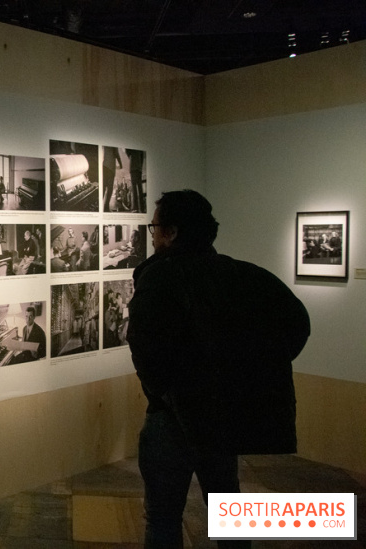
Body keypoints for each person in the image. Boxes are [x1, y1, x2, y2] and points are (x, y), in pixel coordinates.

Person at [127, 190, 310, 549]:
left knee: (164, 517)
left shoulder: (159, 277)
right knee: (230, 511)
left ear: (173, 232)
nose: (152, 234)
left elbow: (144, 345)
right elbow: (296, 324)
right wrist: (251, 373)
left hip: (171, 418)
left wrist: (164, 391)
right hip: (220, 413)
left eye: (155, 226)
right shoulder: (238, 274)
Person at [102, 147, 122, 212]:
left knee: (103, 187)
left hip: (104, 166)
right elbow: (116, 153)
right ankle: (106, 207)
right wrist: (121, 164)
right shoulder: (113, 144)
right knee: (109, 188)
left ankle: (99, 206)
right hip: (110, 168)